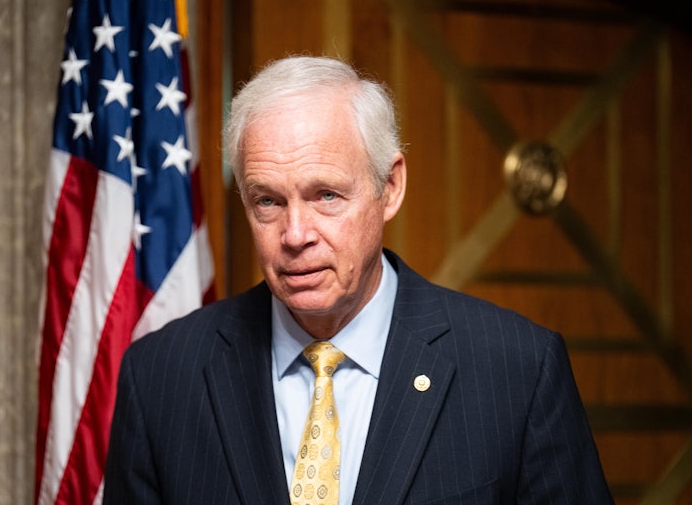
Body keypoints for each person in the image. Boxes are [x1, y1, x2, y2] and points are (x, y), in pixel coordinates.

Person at [103, 56, 613, 504]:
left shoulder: (517, 370)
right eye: (268, 201)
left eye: (326, 195)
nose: (295, 234)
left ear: (389, 187)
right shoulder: (160, 378)